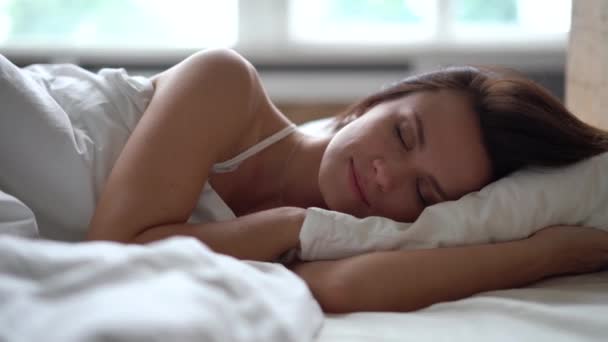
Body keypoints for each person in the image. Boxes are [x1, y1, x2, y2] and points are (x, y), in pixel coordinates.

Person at [6, 48, 607, 313]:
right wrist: (288, 224)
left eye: (424, 194)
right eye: (402, 134)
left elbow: (347, 288)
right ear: (374, 102)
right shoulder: (226, 85)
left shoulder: (335, 236)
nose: (386, 175)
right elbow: (113, 255)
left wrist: (542, 253)